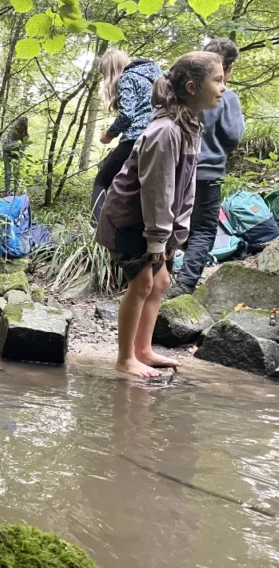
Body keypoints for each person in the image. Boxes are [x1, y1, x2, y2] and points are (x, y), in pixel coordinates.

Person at [96, 51, 225, 377]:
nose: (223, 87)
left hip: (153, 222)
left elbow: (185, 190)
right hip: (130, 218)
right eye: (218, 80)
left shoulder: (190, 127)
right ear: (192, 87)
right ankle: (125, 358)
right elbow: (157, 190)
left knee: (161, 281)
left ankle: (143, 350)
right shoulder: (165, 131)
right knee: (142, 283)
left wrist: (175, 237)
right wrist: (157, 240)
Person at [167, 39, 245, 298]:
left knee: (172, 221)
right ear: (229, 67)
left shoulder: (182, 93)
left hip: (178, 169)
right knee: (203, 228)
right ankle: (184, 285)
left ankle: (161, 277)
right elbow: (233, 136)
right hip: (209, 172)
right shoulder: (227, 97)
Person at [91, 50, 163, 223]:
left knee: (101, 182)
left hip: (135, 139)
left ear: (111, 70)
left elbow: (126, 115)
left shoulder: (127, 77)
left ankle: (96, 227)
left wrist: (108, 135)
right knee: (139, 187)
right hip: (161, 138)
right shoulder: (158, 76)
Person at [3, 117, 29, 194]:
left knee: (16, 173)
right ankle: (7, 191)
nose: (20, 127)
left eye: (22, 126)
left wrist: (20, 151)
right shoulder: (12, 132)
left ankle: (15, 192)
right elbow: (7, 146)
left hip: (17, 154)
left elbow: (23, 148)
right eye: (19, 125)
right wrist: (18, 144)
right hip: (7, 153)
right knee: (8, 172)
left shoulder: (26, 135)